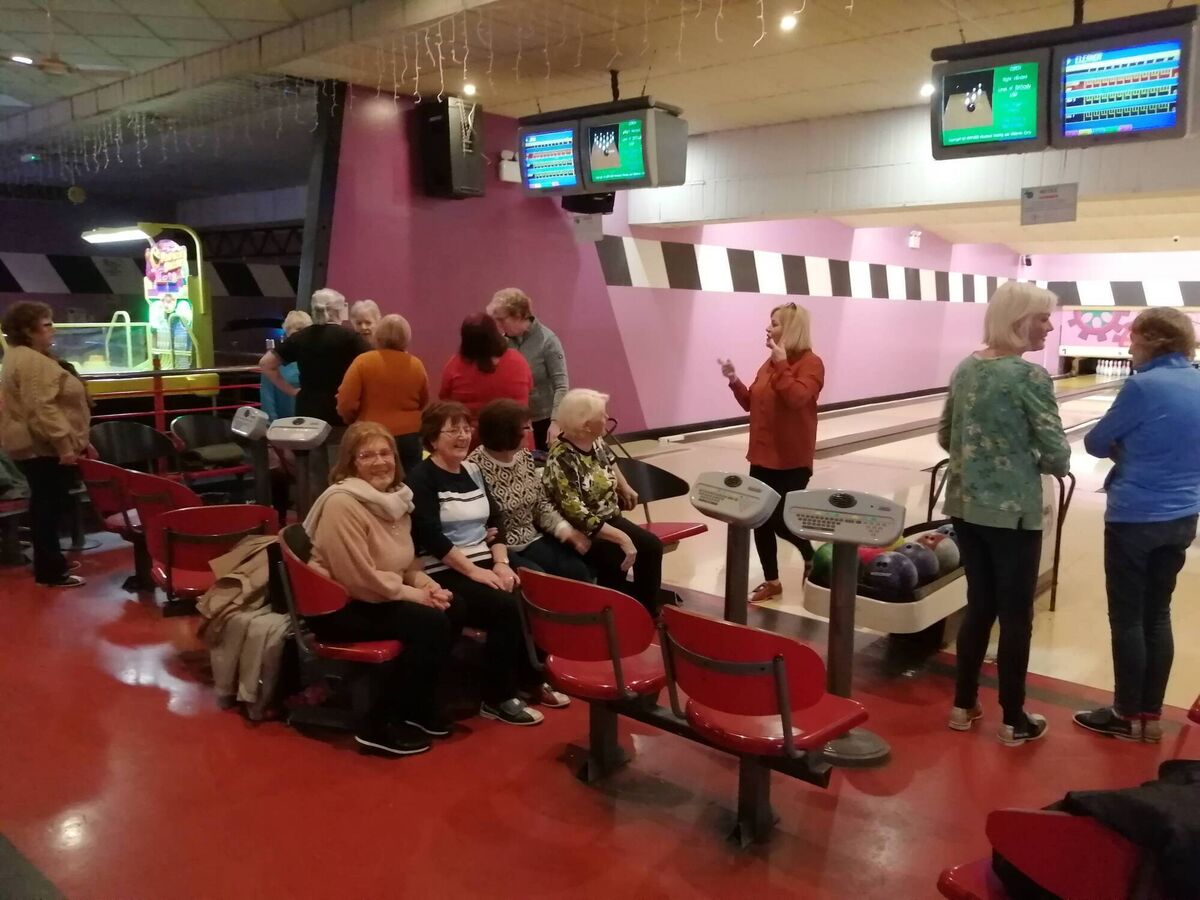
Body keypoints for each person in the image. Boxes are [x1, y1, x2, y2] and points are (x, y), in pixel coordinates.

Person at [938, 282, 1071, 747]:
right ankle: (1014, 720)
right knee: (1016, 617)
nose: (1049, 326)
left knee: (979, 606)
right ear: (1018, 321)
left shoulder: (966, 368)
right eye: (1042, 318)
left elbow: (944, 435)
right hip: (1013, 515)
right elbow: (1057, 455)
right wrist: (1031, 458)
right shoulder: (1029, 377)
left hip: (965, 508)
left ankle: (962, 705)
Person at [1073, 308, 1200, 744]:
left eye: (1134, 340)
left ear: (1153, 340)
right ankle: (1149, 713)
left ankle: (1124, 715)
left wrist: (1128, 450)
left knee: (1127, 618)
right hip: (1183, 517)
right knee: (1158, 612)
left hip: (1135, 516)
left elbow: (1092, 442)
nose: (1128, 348)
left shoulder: (1142, 386)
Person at [407, 401, 564, 725]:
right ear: (433, 439)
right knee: (505, 606)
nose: (463, 436)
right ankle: (497, 696)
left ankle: (531, 677)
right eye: (453, 430)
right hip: (444, 568)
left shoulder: (473, 471)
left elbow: (496, 521)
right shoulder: (422, 478)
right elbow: (431, 537)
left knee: (532, 590)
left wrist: (502, 563)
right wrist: (477, 571)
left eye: (466, 429)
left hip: (483, 561)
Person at [305, 421, 455, 757]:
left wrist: (427, 584)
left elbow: (406, 562)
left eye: (385, 453)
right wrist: (416, 596)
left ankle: (416, 707)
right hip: (337, 606)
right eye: (367, 455)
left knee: (449, 608)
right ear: (350, 463)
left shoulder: (395, 499)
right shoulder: (342, 503)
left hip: (374, 593)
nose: (379, 462)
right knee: (429, 623)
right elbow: (359, 579)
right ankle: (376, 724)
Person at [718, 302, 824, 604]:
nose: (768, 328)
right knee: (759, 521)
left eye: (775, 323)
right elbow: (752, 402)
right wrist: (734, 380)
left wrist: (781, 364)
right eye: (770, 323)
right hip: (762, 456)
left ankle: (808, 554)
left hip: (792, 459)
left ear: (791, 329)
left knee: (780, 520)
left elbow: (797, 398)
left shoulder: (811, 363)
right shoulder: (768, 363)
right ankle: (772, 581)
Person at [543, 389, 664, 614]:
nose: (607, 418)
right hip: (583, 528)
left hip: (609, 517)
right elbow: (578, 514)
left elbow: (610, 460)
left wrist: (624, 485)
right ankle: (613, 614)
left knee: (651, 546)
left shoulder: (595, 440)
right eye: (602, 414)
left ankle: (646, 611)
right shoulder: (561, 458)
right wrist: (622, 538)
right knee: (616, 555)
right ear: (585, 425)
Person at [0, 301, 91, 588]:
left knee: (45, 504)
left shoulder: (20, 357)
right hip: (43, 448)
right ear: (28, 330)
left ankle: (50, 563)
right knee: (48, 506)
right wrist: (65, 445)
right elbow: (42, 407)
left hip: (36, 445)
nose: (53, 329)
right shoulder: (30, 361)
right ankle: (51, 570)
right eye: (47, 323)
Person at [468, 399, 592, 582]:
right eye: (526, 428)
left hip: (531, 538)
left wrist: (566, 531)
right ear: (505, 433)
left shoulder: (524, 457)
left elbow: (540, 504)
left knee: (576, 571)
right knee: (540, 581)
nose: (532, 431)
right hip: (500, 547)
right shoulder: (473, 467)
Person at [259, 288, 368, 474]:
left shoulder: (301, 337)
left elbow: (266, 364)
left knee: (310, 473)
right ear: (339, 310)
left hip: (306, 414)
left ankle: (309, 503)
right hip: (338, 415)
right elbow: (372, 363)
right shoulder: (350, 338)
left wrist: (291, 391)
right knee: (339, 471)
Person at [336, 314, 429, 477]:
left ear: (378, 335)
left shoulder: (363, 361)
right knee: (410, 486)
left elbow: (345, 402)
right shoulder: (416, 364)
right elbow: (424, 400)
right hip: (410, 436)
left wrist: (353, 421)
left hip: (372, 434)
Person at [487, 288, 569, 451]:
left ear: (518, 315)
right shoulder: (504, 342)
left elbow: (561, 385)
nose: (498, 325)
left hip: (544, 421)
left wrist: (555, 423)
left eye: (502, 320)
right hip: (517, 422)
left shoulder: (548, 341)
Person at [439, 313, 532, 443]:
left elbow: (445, 403)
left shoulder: (454, 366)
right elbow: (530, 390)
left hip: (473, 445)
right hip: (517, 440)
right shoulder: (518, 361)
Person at [259, 310, 311, 423]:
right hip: (283, 422)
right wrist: (272, 424)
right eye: (297, 330)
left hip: (310, 420)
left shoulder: (312, 358)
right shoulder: (273, 361)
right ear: (287, 332)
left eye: (303, 330)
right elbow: (267, 397)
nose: (299, 335)